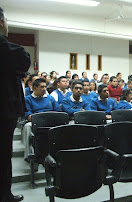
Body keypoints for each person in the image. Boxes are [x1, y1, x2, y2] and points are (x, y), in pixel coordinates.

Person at [0, 6, 30, 201]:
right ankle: (4, 195)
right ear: (1, 22)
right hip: (3, 110)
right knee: (3, 155)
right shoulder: (6, 47)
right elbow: (24, 60)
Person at [23, 79, 60, 161]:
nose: (44, 89)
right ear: (35, 88)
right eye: (42, 87)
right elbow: (28, 116)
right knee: (27, 126)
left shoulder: (50, 98)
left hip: (51, 121)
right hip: (36, 122)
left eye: (45, 87)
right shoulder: (27, 99)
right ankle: (29, 156)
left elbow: (58, 112)